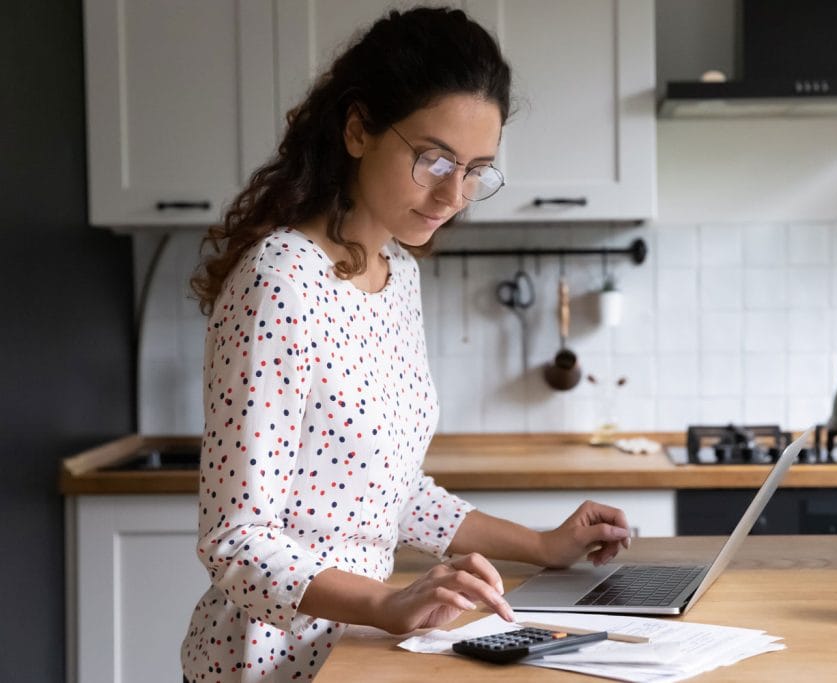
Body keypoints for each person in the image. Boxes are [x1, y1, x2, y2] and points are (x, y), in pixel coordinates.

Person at [181, 7, 631, 682]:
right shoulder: (280, 281)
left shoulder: (396, 275)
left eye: (477, 169)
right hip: (266, 665)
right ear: (358, 129)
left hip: (359, 655)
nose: (455, 193)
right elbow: (235, 542)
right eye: (434, 159)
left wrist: (542, 546)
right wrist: (390, 603)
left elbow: (389, 492)